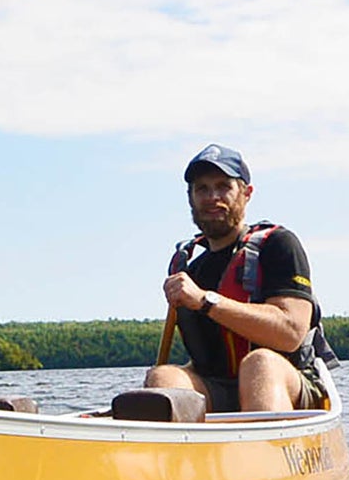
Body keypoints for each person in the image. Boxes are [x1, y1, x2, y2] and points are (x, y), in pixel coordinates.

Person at [144, 144, 336, 412]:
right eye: (202, 189)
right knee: (163, 377)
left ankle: (268, 449)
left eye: (223, 186)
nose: (212, 197)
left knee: (260, 365)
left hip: (286, 384)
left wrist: (205, 301)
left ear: (246, 194)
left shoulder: (278, 245)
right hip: (217, 388)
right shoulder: (189, 269)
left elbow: (290, 333)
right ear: (191, 198)